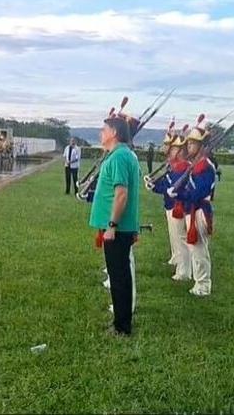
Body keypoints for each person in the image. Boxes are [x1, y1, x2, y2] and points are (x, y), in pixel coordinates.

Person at [89, 116, 141, 336]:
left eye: (104, 129)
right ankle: (121, 322)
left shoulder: (119, 157)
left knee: (119, 278)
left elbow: (121, 194)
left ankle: (121, 327)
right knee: (120, 277)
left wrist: (111, 225)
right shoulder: (120, 155)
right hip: (118, 229)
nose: (101, 133)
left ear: (114, 133)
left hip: (117, 230)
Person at [168, 126, 217, 297]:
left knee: (199, 249)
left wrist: (179, 192)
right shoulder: (196, 165)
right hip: (192, 209)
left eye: (193, 143)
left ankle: (203, 284)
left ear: (202, 146)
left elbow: (199, 192)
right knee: (194, 247)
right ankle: (199, 281)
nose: (189, 146)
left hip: (200, 209)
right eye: (188, 143)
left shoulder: (205, 166)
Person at [146, 129, 191, 281]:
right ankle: (178, 261)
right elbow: (166, 185)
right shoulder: (176, 166)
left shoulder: (184, 167)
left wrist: (159, 187)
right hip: (170, 204)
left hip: (178, 206)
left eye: (174, 148)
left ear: (180, 151)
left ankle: (184, 271)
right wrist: (154, 187)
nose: (170, 150)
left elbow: (172, 187)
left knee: (180, 238)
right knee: (175, 236)